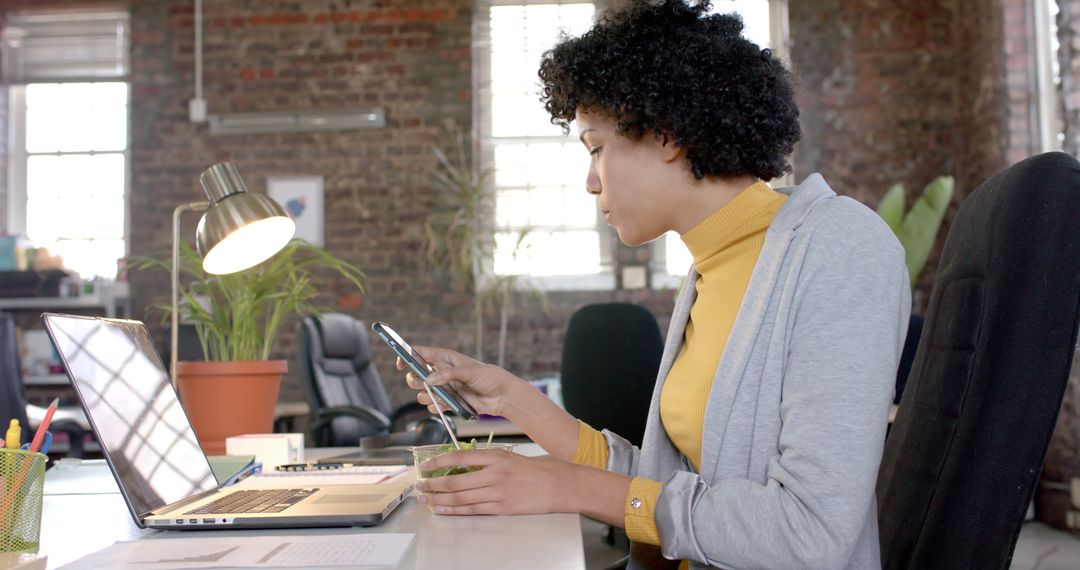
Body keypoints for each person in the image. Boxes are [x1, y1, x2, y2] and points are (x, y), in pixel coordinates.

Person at [402, 1, 910, 568]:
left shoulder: (837, 246)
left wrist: (562, 486)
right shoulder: (710, 267)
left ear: (666, 134)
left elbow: (808, 531)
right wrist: (511, 400)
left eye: (597, 147)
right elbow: (664, 488)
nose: (591, 181)